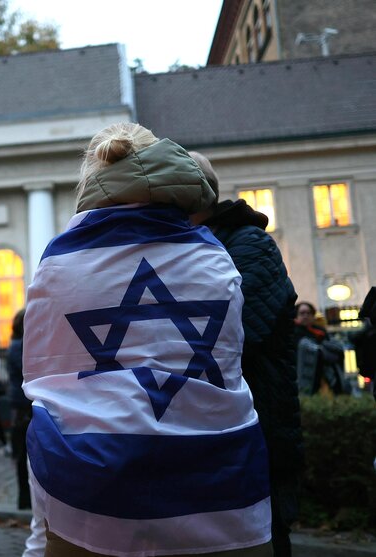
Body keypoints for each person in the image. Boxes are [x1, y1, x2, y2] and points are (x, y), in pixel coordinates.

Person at [23, 123, 272, 556]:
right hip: (221, 490)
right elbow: (225, 366)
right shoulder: (212, 255)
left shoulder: (59, 262)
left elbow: (47, 384)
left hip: (88, 499)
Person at [190, 151, 302, 557]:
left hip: (257, 436)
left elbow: (225, 337)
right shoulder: (198, 247)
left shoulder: (248, 244)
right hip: (217, 441)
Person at [293, 301, 347, 395]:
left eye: (308, 313)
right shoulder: (292, 333)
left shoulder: (320, 332)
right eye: (302, 313)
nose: (305, 316)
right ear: (296, 316)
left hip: (326, 378)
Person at [7, 309, 31, 510]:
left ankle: (26, 498)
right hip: (23, 405)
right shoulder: (18, 346)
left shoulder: (18, 344)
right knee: (23, 454)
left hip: (22, 403)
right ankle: (24, 498)